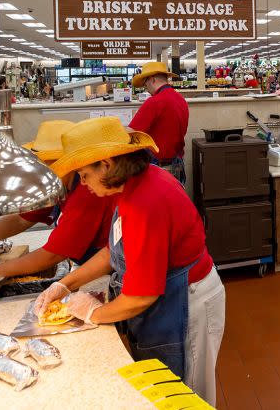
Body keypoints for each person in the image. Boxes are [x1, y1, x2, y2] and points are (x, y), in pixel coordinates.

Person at [33, 118, 225, 404]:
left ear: (107, 165)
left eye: (85, 174)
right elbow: (114, 251)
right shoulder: (127, 188)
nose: (82, 183)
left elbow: (141, 296)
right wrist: (66, 284)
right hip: (169, 299)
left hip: (188, 302)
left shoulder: (145, 201)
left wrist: (93, 313)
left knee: (186, 397)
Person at [0, 119, 116, 283]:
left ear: (67, 162)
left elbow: (53, 255)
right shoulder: (58, 184)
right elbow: (21, 219)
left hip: (111, 273)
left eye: (47, 162)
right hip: (94, 268)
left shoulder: (88, 191)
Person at [128, 61, 189, 185]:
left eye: (145, 83)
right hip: (178, 165)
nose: (146, 88)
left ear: (152, 79)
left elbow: (131, 133)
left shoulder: (154, 102)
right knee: (174, 203)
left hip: (159, 168)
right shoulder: (181, 100)